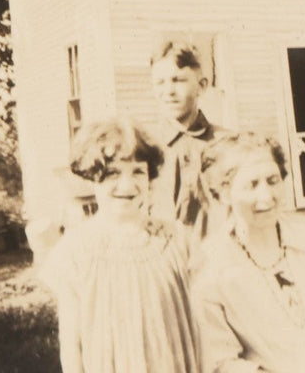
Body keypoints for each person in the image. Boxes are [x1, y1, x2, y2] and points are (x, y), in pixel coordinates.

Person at [194, 131, 305, 372]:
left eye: (273, 181)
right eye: (251, 185)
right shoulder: (211, 267)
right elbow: (220, 361)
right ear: (223, 194)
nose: (266, 196)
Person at [42, 118, 200, 373]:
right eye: (113, 173)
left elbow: (203, 322)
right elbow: (71, 343)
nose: (127, 185)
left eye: (138, 172)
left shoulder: (177, 240)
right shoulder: (75, 250)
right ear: (93, 176)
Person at [146, 41, 220, 242]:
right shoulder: (146, 148)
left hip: (215, 257)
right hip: (162, 256)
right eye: (160, 82)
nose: (168, 90)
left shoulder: (224, 143)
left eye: (178, 80)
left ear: (201, 86)